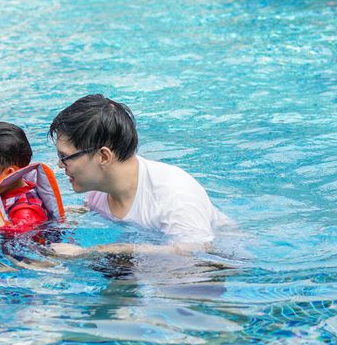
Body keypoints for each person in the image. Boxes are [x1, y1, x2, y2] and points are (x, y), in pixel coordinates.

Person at [48, 94, 230, 257]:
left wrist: (94, 252)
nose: (59, 164)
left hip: (224, 262)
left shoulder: (174, 195)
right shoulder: (99, 190)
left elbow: (197, 254)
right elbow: (90, 211)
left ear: (103, 156)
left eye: (64, 157)